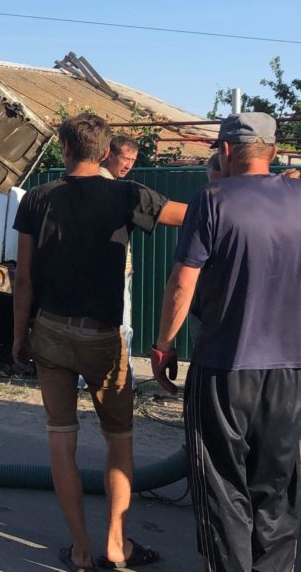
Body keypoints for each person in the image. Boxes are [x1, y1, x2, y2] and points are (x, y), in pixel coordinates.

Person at [12, 113, 186, 571]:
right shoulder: (127, 194)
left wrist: (19, 335)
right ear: (105, 152)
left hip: (49, 331)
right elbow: (189, 217)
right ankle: (116, 543)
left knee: (61, 442)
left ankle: (81, 550)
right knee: (119, 440)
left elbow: (23, 279)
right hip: (103, 338)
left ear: (66, 150)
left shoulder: (35, 199)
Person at [151, 112, 301, 572]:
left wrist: (163, 346)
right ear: (273, 151)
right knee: (277, 492)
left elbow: (182, 283)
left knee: (221, 490)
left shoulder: (212, 198)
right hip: (291, 375)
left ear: (228, 150)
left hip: (224, 370)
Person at [98, 135, 140, 385]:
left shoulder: (113, 183)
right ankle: (123, 377)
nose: (129, 165)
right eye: (126, 158)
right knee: (121, 325)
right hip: (111, 269)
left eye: (133, 161)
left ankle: (118, 375)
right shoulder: (106, 186)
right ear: (109, 155)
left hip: (121, 267)